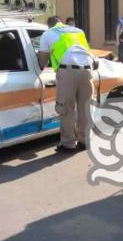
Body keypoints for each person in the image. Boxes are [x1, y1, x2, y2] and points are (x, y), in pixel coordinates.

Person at [38, 16, 96, 153]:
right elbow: (87, 52)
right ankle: (85, 141)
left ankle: (68, 143)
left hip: (68, 72)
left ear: (49, 25)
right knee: (85, 107)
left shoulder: (48, 34)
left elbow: (42, 62)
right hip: (87, 70)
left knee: (65, 108)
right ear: (61, 22)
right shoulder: (78, 31)